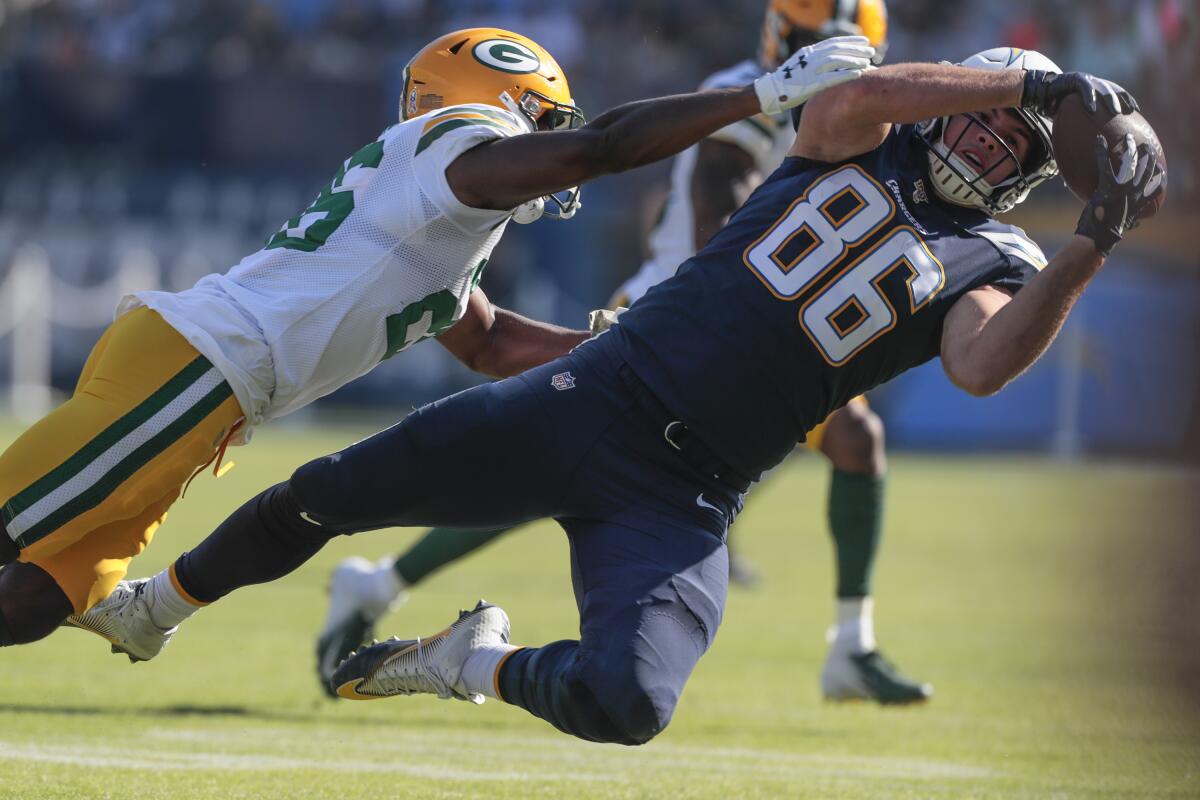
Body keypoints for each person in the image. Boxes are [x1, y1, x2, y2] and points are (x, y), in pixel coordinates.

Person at [74, 47, 1159, 748]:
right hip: (600, 390)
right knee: (322, 491)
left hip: (693, 490)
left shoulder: (999, 254)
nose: (985, 140)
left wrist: (1093, 243)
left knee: (631, 704)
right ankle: (155, 608)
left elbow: (980, 365)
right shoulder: (861, 133)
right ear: (957, 101)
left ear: (1028, 173)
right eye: (982, 115)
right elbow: (857, 92)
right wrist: (1031, 86)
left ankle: (472, 661)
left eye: (1009, 141)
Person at [0, 27, 874, 650]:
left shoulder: (436, 225)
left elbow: (493, 345)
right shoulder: (451, 141)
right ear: (503, 99)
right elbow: (604, 149)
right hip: (198, 366)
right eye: (545, 120)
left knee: (41, 595)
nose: (554, 143)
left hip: (213, 393)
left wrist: (624, 344)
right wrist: (759, 96)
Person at [315, 0, 928, 706]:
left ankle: (852, 645)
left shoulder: (851, 114)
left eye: (834, 44)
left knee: (849, 441)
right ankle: (381, 581)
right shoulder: (757, 96)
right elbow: (716, 219)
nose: (818, 52)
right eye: (810, 39)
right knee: (563, 465)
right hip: (691, 316)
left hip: (754, 326)